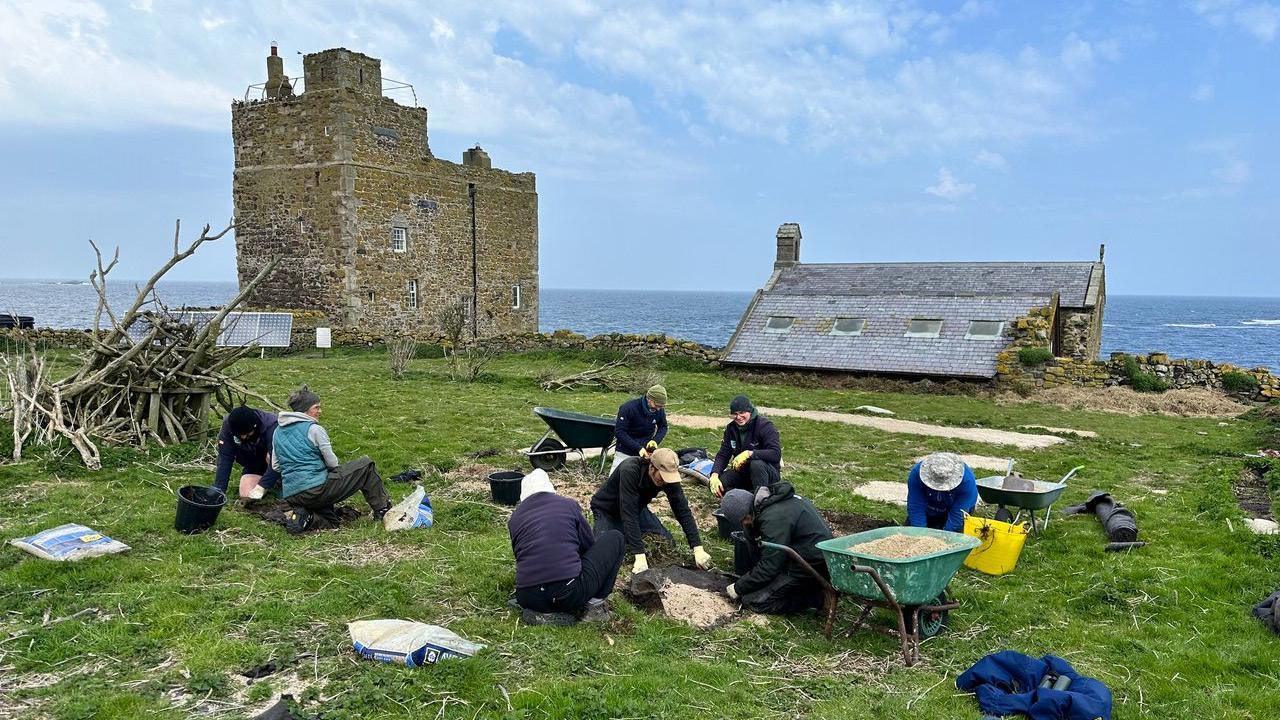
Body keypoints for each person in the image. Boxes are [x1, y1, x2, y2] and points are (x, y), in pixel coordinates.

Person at [508, 469, 625, 623]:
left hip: (527, 596)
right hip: (566, 593)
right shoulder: (568, 505)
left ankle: (540, 612)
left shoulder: (514, 518)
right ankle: (594, 607)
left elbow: (520, 555)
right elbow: (588, 545)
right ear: (550, 488)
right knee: (616, 538)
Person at [272, 385, 392, 533]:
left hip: (292, 495)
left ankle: (306, 517)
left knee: (331, 522)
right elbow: (333, 463)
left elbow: (276, 466)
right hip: (316, 490)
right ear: (305, 410)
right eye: (317, 407)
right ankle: (383, 510)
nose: (320, 411)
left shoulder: (277, 431)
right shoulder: (314, 429)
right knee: (366, 466)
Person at [716, 483, 834, 614]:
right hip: (801, 552)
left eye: (744, 519)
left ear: (748, 510)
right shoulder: (764, 503)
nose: (744, 524)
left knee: (753, 601)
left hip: (811, 563)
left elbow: (770, 566)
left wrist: (738, 587)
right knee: (757, 585)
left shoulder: (773, 518)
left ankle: (813, 600)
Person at [590, 448, 713, 574]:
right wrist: (640, 555)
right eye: (663, 476)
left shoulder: (668, 479)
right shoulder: (630, 470)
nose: (665, 481)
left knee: (667, 541)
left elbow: (682, 510)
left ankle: (625, 535)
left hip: (637, 509)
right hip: (607, 510)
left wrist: (697, 548)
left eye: (669, 478)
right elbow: (629, 514)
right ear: (652, 467)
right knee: (604, 552)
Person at [709, 395, 782, 503]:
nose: (738, 417)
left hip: (766, 474)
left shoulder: (764, 426)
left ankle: (762, 500)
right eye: (735, 414)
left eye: (742, 412)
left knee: (756, 464)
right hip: (744, 473)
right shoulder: (731, 429)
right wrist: (714, 475)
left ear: (750, 411)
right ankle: (747, 498)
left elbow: (775, 454)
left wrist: (750, 454)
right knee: (720, 484)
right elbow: (724, 454)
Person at [213, 406, 280, 500]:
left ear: (255, 425)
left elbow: (278, 461)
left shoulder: (272, 426)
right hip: (254, 464)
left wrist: (262, 486)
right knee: (246, 494)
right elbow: (225, 458)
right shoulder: (229, 425)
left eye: (247, 434)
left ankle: (278, 483)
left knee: (271, 457)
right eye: (240, 435)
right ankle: (267, 483)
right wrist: (219, 489)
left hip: (279, 465)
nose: (243, 437)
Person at [906, 452, 978, 533]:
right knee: (911, 533)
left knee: (957, 537)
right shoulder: (916, 473)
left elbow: (958, 513)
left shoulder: (967, 481)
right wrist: (920, 533)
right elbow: (916, 506)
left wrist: (945, 537)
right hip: (928, 507)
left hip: (953, 508)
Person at [609, 384, 669, 474]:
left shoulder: (659, 410)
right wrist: (638, 448)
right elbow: (619, 432)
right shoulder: (628, 408)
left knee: (639, 482)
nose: (658, 408)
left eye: (661, 406)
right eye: (657, 405)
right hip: (625, 450)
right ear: (649, 399)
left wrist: (655, 441)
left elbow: (663, 427)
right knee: (615, 479)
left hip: (646, 452)